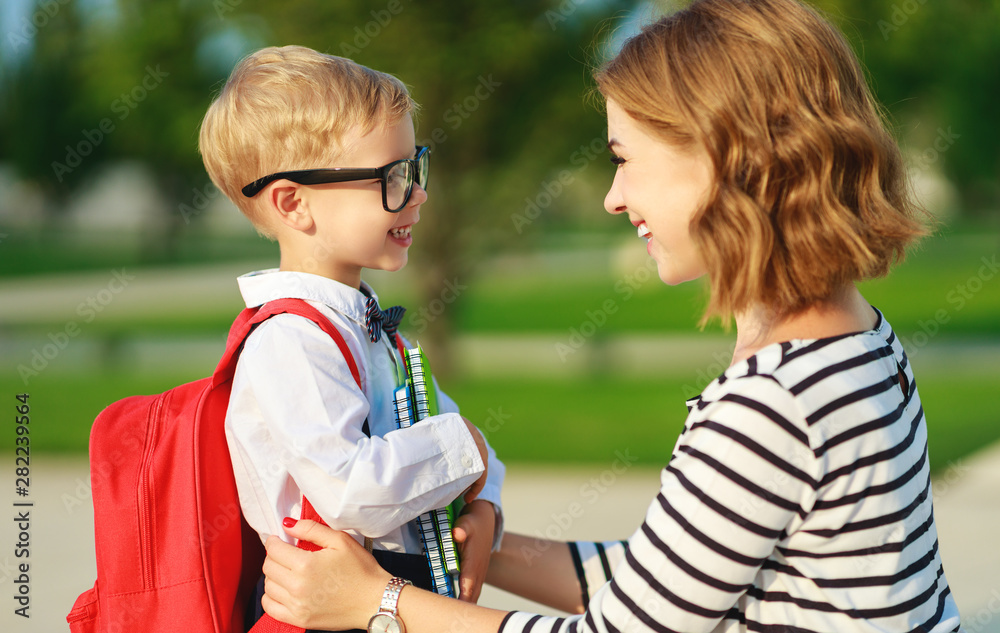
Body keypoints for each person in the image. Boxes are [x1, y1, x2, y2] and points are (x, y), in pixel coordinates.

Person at [257, 2, 964, 632]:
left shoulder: (771, 401)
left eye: (626, 159)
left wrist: (382, 603)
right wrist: (486, 548)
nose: (613, 197)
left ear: (725, 159)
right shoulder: (853, 339)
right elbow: (672, 581)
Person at [197, 44, 506, 622]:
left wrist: (483, 508)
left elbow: (450, 431)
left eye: (415, 166)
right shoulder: (291, 342)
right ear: (294, 203)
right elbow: (350, 490)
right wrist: (467, 448)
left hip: (383, 606)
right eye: (392, 177)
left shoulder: (367, 328)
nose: (418, 192)